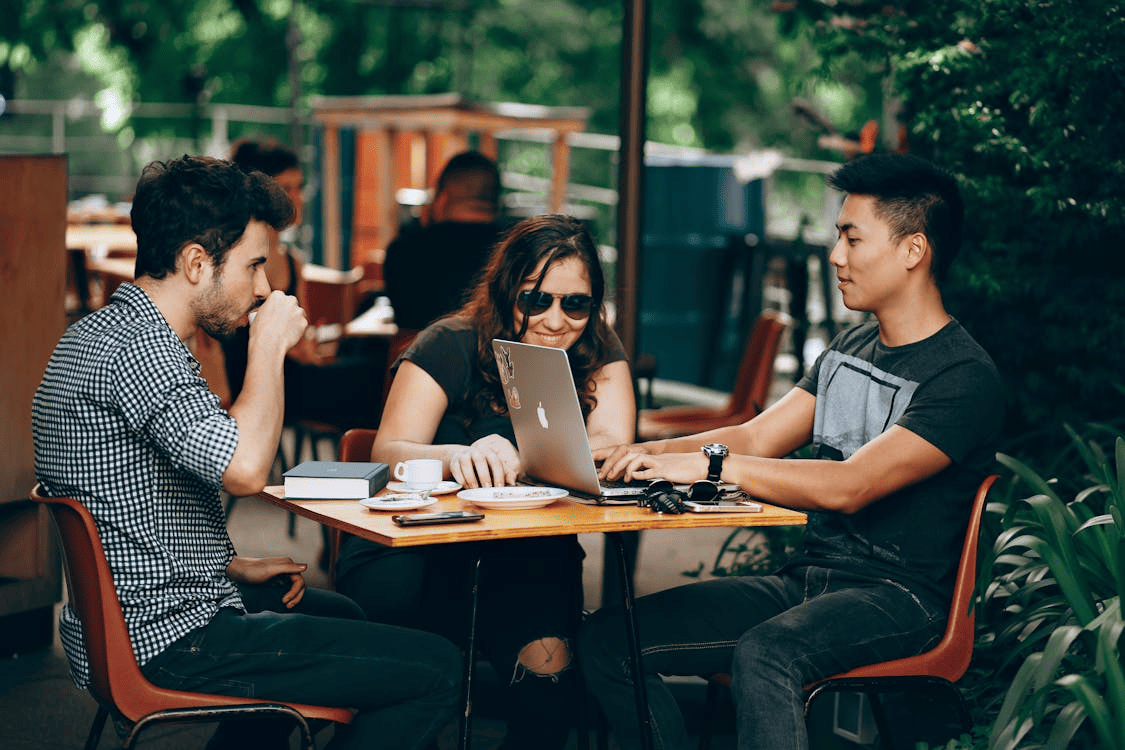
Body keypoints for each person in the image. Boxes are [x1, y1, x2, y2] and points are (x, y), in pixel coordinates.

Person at [32, 154, 461, 750]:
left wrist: (224, 566)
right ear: (196, 263)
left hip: (129, 618)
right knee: (437, 668)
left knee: (348, 619)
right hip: (168, 637)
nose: (265, 287)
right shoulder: (140, 352)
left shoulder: (97, 335)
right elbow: (246, 469)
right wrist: (267, 348)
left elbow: (124, 503)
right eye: (255, 265)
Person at [580, 153, 1005, 750]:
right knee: (609, 642)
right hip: (807, 582)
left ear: (913, 250)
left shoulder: (962, 376)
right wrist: (637, 453)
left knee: (767, 653)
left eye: (852, 239)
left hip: (901, 600)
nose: (836, 256)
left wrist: (704, 464)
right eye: (838, 237)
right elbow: (756, 436)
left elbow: (851, 485)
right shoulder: (853, 343)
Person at [334, 214, 636, 750]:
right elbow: (385, 453)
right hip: (419, 548)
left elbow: (611, 444)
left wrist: (530, 455)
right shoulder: (449, 342)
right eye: (535, 299)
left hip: (524, 554)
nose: (555, 319)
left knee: (550, 692)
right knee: (423, 680)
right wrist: (459, 455)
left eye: (576, 303)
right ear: (505, 293)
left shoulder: (596, 349)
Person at [382, 150, 507, 332]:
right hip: (492, 358)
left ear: (442, 198)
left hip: (417, 357)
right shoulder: (515, 249)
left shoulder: (403, 250)